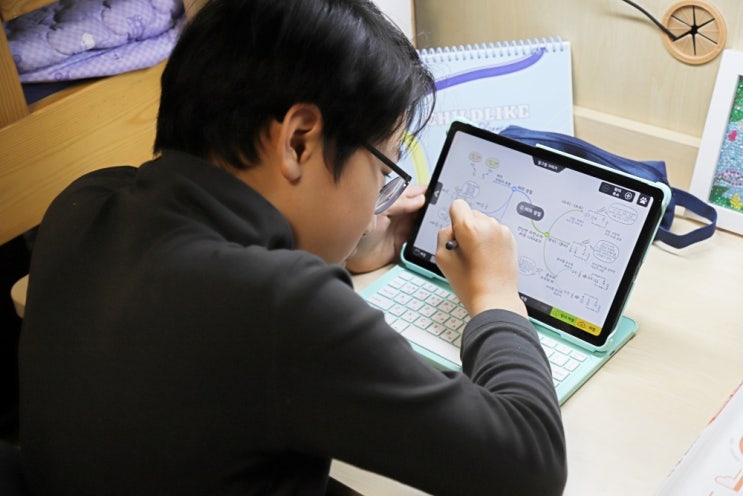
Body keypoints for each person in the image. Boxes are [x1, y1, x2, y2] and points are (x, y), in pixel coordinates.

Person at [18, 0, 567, 495]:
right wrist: (497, 298)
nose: (377, 204)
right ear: (299, 140)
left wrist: (346, 246)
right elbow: (530, 468)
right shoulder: (280, 304)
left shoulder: (84, 205)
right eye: (383, 170)